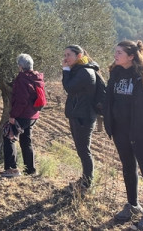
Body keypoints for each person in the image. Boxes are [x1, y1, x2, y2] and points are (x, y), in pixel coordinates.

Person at [104, 40, 143, 230]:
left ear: (131, 56)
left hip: (142, 133)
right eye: (115, 51)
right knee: (128, 168)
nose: (115, 55)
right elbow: (110, 100)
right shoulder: (115, 75)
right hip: (120, 131)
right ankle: (133, 205)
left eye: (119, 52)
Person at [62, 44, 100, 191]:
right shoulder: (79, 70)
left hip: (83, 117)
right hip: (79, 115)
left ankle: (86, 184)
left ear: (79, 56)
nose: (65, 59)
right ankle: (84, 180)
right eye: (64, 55)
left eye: (68, 55)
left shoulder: (84, 72)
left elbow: (69, 87)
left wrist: (65, 70)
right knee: (81, 150)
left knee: (84, 150)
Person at [1, 53, 44, 178]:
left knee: (8, 136)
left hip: (22, 115)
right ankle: (30, 169)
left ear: (20, 66)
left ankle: (12, 169)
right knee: (26, 141)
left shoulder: (22, 79)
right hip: (33, 115)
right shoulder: (37, 77)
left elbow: (21, 100)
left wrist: (13, 115)